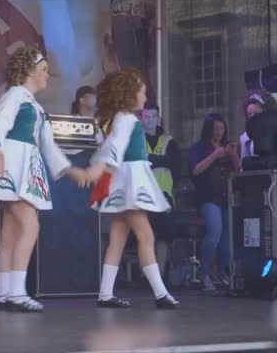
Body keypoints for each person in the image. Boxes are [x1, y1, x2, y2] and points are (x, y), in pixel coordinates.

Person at [0, 46, 86, 312]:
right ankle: (16, 292)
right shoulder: (15, 95)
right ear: (29, 71)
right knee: (30, 225)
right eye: (44, 69)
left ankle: (5, 293)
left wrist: (71, 170)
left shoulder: (35, 106)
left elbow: (49, 147)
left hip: (25, 166)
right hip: (13, 164)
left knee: (11, 230)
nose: (48, 75)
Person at [86, 68, 179, 309]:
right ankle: (161, 294)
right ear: (129, 93)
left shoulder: (121, 117)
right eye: (142, 92)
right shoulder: (126, 118)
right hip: (129, 184)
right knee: (146, 236)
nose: (145, 98)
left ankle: (105, 294)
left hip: (125, 182)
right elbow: (115, 147)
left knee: (117, 238)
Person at [188, 113, 240, 291]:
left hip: (227, 197)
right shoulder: (200, 147)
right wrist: (214, 156)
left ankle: (222, 274)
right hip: (208, 196)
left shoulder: (226, 147)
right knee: (214, 233)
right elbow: (195, 170)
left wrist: (232, 155)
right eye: (215, 128)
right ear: (209, 129)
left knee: (226, 238)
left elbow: (238, 170)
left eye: (221, 128)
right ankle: (204, 274)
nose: (218, 132)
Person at [140, 103, 181, 277]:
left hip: (164, 194)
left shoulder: (168, 141)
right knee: (145, 236)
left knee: (163, 236)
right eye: (146, 117)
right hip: (141, 195)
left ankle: (161, 273)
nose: (149, 120)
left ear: (158, 118)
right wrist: (160, 160)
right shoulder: (136, 139)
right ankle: (147, 274)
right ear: (141, 118)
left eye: (153, 117)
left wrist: (151, 159)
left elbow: (175, 163)